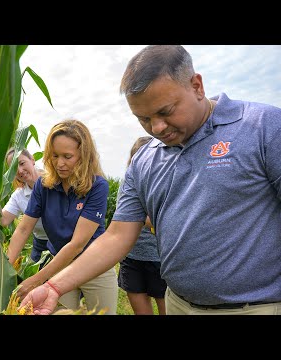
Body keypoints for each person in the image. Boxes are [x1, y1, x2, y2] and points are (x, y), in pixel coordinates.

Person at [19, 45, 281, 315]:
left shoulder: (263, 128)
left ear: (197, 86)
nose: (156, 128)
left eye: (165, 112)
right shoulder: (145, 160)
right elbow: (117, 236)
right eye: (143, 119)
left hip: (255, 308)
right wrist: (53, 287)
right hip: (179, 304)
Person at [7, 119, 118, 314]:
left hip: (94, 264)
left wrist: (36, 280)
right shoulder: (44, 185)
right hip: (59, 264)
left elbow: (77, 244)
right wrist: (5, 270)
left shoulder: (98, 186)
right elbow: (24, 228)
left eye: (68, 156)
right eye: (55, 155)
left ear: (84, 156)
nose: (59, 163)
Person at [117, 136, 166, 315]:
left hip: (159, 258)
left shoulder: (164, 183)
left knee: (166, 308)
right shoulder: (127, 184)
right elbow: (123, 216)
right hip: (132, 257)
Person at [0, 148, 49, 265]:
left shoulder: (55, 181)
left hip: (66, 240)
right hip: (41, 244)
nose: (20, 170)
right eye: (14, 168)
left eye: (22, 163)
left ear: (32, 160)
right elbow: (3, 219)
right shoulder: (19, 195)